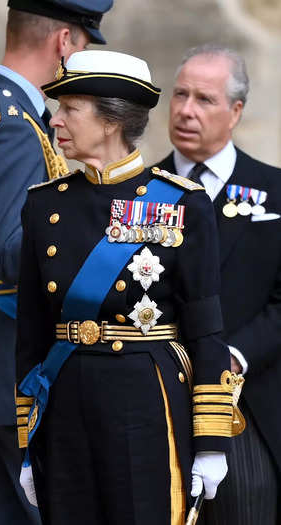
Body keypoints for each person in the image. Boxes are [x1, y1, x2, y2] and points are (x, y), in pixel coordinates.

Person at [15, 50, 241, 525]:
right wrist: (27, 443)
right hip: (64, 404)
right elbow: (31, 337)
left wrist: (211, 443)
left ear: (111, 119)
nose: (55, 120)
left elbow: (205, 333)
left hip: (146, 403)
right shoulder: (43, 206)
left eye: (69, 108)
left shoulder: (183, 204)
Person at [0, 0, 113, 522]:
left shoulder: (13, 115)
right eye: (83, 46)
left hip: (10, 371)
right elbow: (16, 251)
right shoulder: (11, 123)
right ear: (64, 42)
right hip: (22, 373)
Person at [156, 44, 281, 525]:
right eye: (180, 94)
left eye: (204, 99)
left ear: (236, 112)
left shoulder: (275, 193)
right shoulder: (138, 194)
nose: (186, 110)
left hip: (248, 410)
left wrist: (235, 355)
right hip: (159, 403)